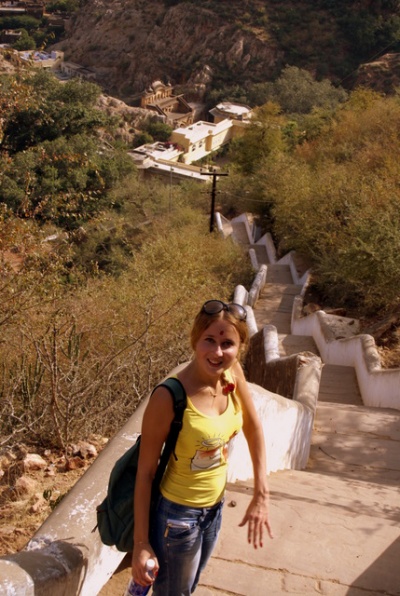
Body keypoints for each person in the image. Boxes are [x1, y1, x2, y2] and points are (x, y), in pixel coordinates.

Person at [131, 299, 273, 595]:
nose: (217, 352)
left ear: (240, 347)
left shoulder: (233, 375)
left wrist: (262, 493)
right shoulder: (169, 396)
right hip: (177, 518)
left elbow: (253, 427)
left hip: (214, 510)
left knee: (188, 587)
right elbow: (145, 473)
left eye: (227, 343)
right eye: (209, 340)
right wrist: (141, 544)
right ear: (195, 340)